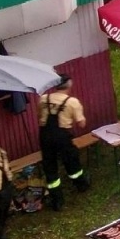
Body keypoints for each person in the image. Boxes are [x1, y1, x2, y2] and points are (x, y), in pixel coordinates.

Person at [36, 74, 89, 209]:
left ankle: (57, 200)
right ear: (70, 84)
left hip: (45, 135)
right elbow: (81, 123)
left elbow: (39, 116)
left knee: (49, 165)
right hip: (62, 136)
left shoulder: (43, 98)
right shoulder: (72, 102)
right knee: (71, 160)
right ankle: (81, 185)